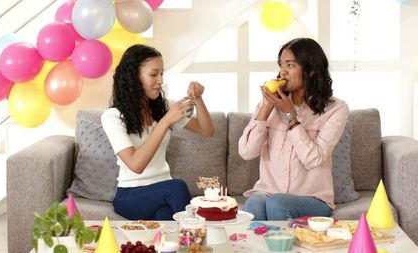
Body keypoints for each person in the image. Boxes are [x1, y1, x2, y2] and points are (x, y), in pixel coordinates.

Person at [238, 38, 349, 220]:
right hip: (268, 192)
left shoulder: (336, 109)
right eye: (281, 64)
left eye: (290, 65)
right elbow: (246, 152)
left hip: (312, 199)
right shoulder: (270, 105)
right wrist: (266, 107)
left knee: (277, 202)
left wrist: (290, 115)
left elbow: (314, 158)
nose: (283, 72)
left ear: (311, 70)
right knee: (254, 203)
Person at [101, 44, 215, 220]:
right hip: (131, 196)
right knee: (177, 187)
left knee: (166, 218)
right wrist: (165, 121)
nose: (160, 80)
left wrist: (198, 99)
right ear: (134, 77)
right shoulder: (112, 116)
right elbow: (136, 165)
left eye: (162, 74)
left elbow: (206, 130)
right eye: (154, 74)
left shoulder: (163, 107)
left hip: (162, 192)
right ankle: (199, 242)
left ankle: (180, 244)